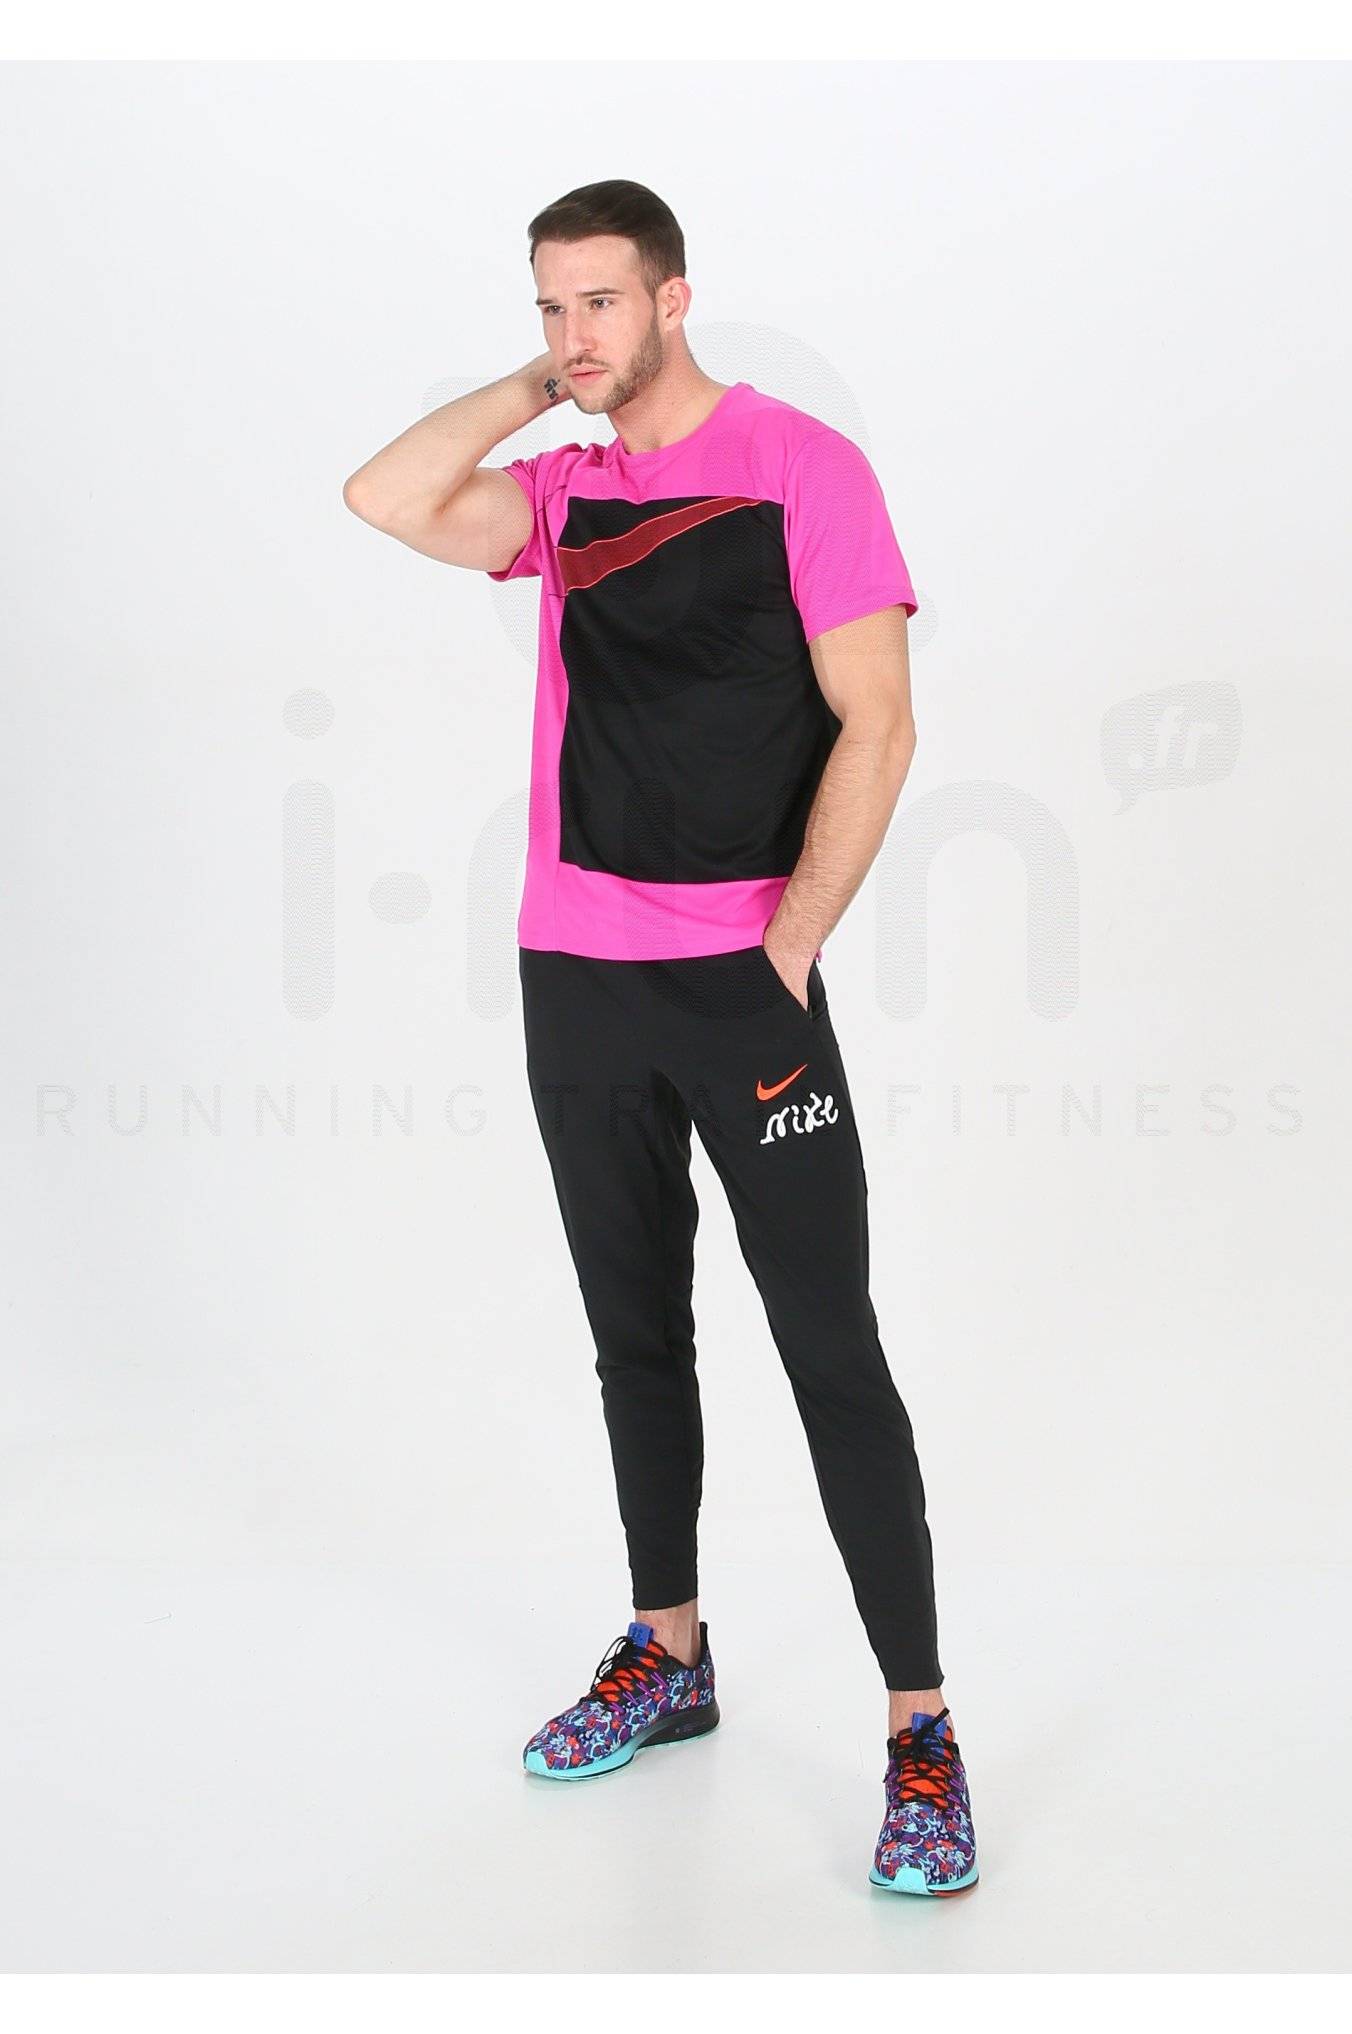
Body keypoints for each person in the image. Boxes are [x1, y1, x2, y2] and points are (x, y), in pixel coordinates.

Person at [342, 178, 978, 1896]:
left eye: (602, 304)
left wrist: (792, 944)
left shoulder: (801, 467)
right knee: (636, 1336)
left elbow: (880, 720)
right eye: (552, 307)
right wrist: (542, 388)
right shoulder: (565, 492)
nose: (575, 334)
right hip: (577, 973)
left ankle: (921, 1730)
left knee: (830, 1347)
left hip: (741, 985)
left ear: (676, 297)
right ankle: (669, 1650)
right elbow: (385, 495)